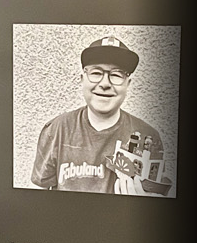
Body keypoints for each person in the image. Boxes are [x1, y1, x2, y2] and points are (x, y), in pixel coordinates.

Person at [30, 35, 173, 196]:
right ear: (82, 79)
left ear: (128, 84)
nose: (105, 84)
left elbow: (156, 195)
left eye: (117, 75)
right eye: (96, 73)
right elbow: (43, 191)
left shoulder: (149, 138)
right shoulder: (56, 130)